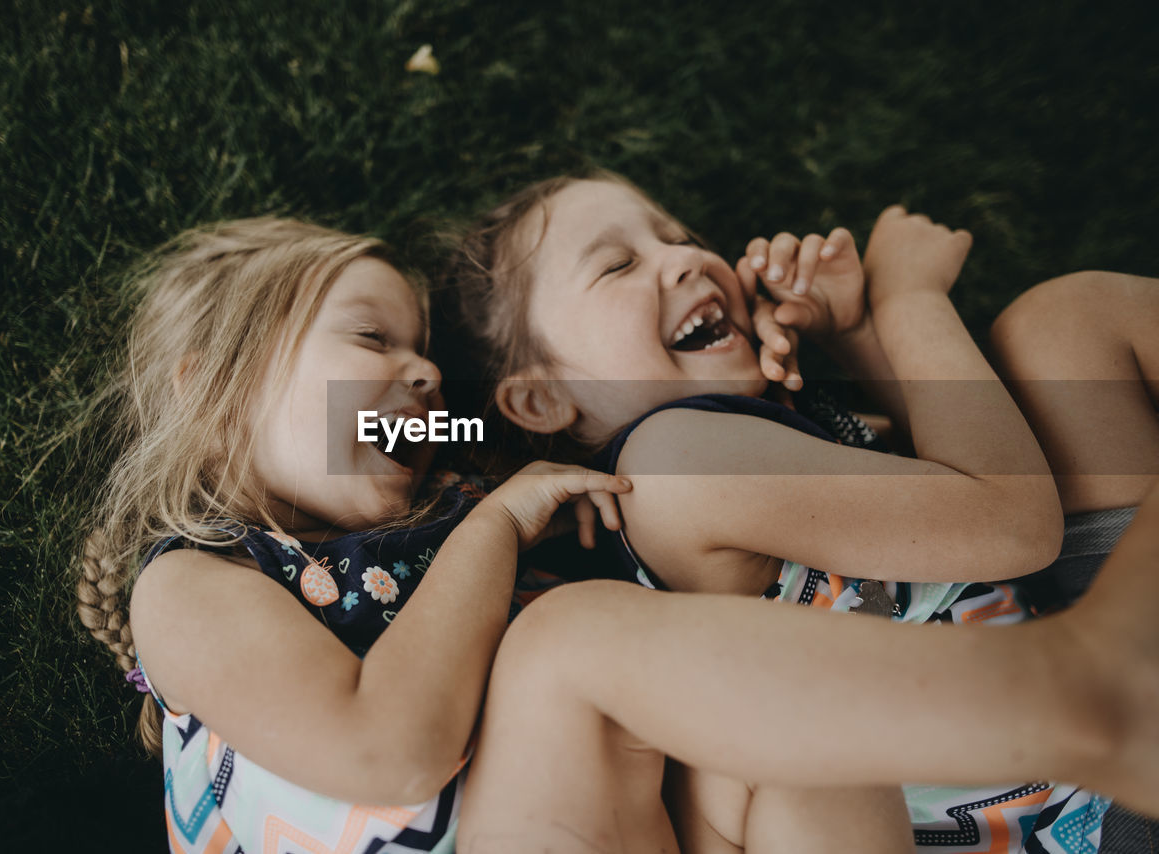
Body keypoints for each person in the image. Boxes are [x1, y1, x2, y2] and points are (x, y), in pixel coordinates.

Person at [448, 169, 1157, 851]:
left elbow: (962, 461)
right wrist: (909, 298)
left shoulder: (750, 429)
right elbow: (1010, 522)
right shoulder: (669, 463)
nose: (687, 259)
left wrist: (851, 333)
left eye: (678, 236)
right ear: (542, 400)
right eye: (618, 265)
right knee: (1071, 319)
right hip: (1075, 815)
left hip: (1081, 677)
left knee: (1060, 325)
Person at [74, 216, 635, 853]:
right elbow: (390, 752)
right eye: (372, 337)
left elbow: (570, 439)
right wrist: (497, 527)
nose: (429, 372)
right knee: (577, 632)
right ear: (216, 396)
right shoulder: (191, 585)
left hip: (624, 802)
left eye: (424, 351)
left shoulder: (453, 506)